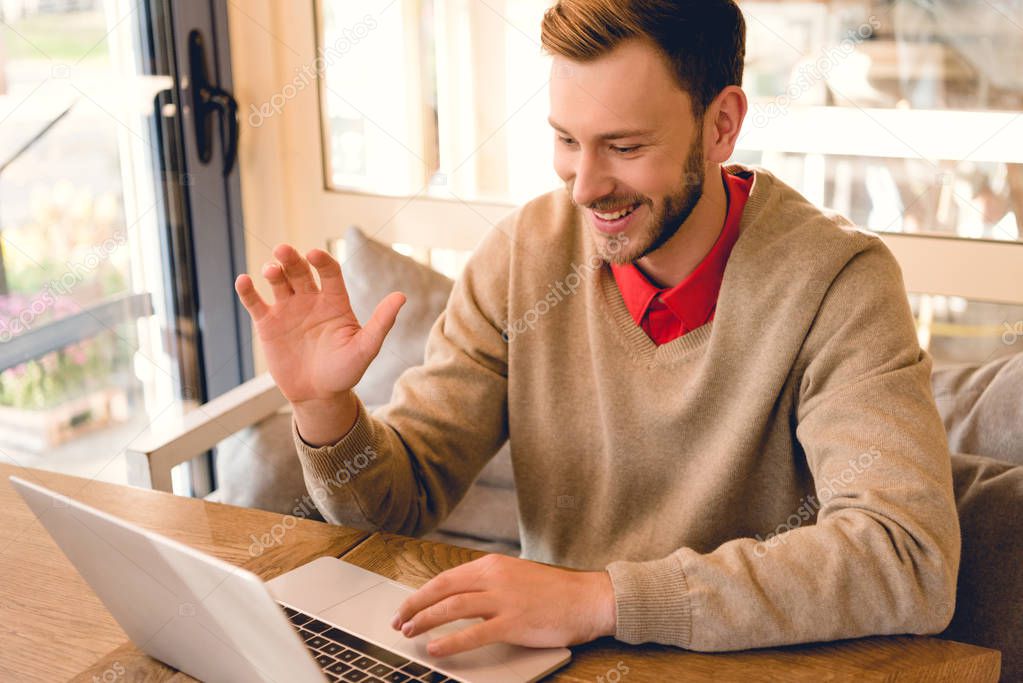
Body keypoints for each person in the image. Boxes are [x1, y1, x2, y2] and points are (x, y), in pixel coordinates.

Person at [234, 0, 959, 659]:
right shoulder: (523, 256)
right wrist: (324, 411)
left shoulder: (839, 280)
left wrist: (601, 599)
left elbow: (904, 555)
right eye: (565, 140)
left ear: (721, 125)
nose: (583, 186)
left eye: (623, 146)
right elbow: (398, 503)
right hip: (549, 661)